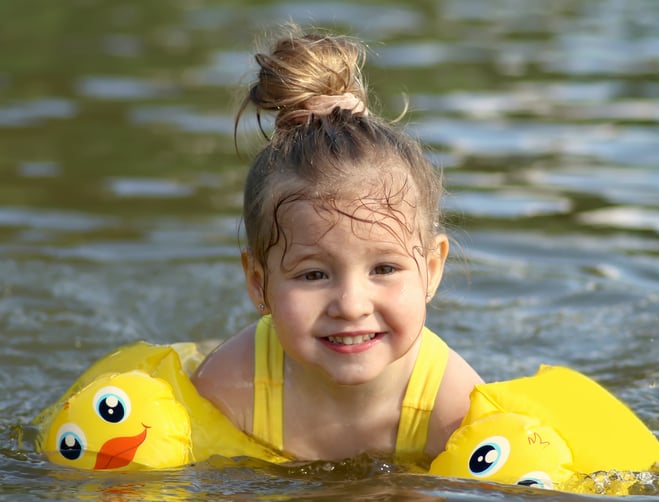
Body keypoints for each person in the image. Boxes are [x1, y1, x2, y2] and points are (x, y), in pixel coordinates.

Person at [191, 29, 483, 465]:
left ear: (432, 267)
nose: (350, 305)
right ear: (258, 283)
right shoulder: (230, 388)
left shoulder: (453, 407)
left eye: (383, 268)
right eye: (313, 274)